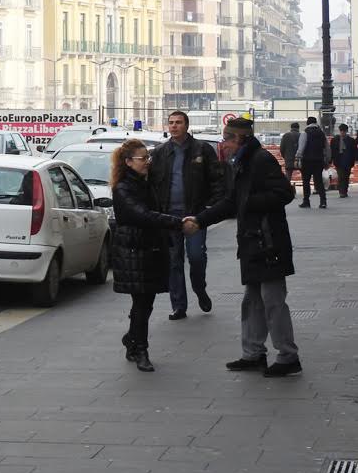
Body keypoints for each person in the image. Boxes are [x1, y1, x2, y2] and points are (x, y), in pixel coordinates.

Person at [187, 116, 300, 377]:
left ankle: (288, 356)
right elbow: (230, 202)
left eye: (227, 138)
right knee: (252, 301)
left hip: (268, 242)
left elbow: (285, 193)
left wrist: (249, 203)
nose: (223, 144)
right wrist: (199, 221)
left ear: (240, 139)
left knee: (273, 301)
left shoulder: (260, 160)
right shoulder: (240, 163)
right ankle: (253, 353)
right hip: (253, 241)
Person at [111, 138, 184, 372]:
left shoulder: (145, 182)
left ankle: (132, 340)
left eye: (147, 158)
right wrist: (176, 223)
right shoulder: (122, 188)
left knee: (145, 302)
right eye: (143, 159)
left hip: (150, 249)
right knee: (142, 303)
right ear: (128, 162)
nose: (147, 162)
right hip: (134, 251)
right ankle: (140, 348)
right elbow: (142, 215)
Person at [148, 110, 225, 321]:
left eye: (178, 122)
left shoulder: (202, 149)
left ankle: (200, 289)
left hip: (196, 215)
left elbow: (216, 179)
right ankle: (178, 305)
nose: (174, 126)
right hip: (169, 217)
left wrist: (213, 207)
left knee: (196, 257)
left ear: (186, 125)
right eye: (171, 123)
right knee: (174, 261)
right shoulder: (160, 152)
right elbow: (152, 185)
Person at [295, 116, 330, 209]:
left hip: (307, 161)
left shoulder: (304, 133)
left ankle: (306, 201)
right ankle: (323, 201)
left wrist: (297, 158)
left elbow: (301, 147)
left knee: (306, 181)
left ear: (307, 123)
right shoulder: (322, 133)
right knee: (319, 181)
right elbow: (327, 148)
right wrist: (327, 160)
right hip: (319, 161)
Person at [331, 123, 356, 198]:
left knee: (346, 176)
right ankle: (342, 191)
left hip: (348, 160)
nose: (342, 132)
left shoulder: (351, 140)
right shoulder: (335, 140)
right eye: (341, 131)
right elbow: (332, 150)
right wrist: (331, 159)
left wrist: (354, 159)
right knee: (341, 176)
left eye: (344, 131)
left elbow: (354, 150)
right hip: (339, 161)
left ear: (346, 131)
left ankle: (345, 190)